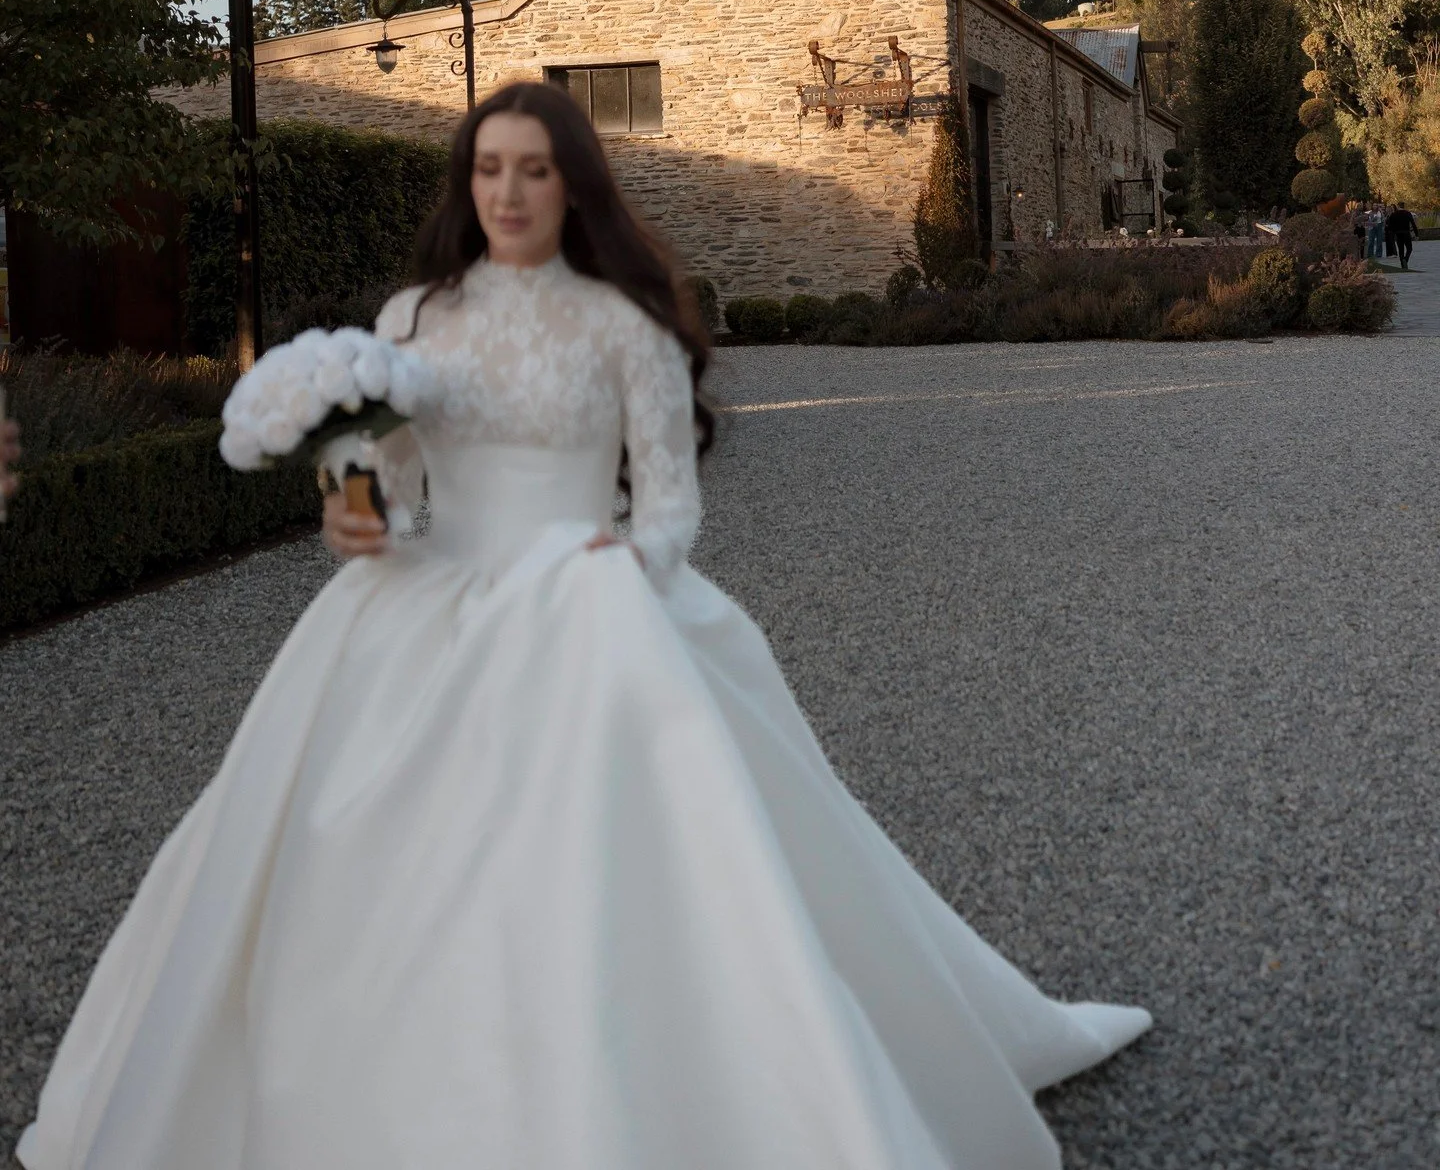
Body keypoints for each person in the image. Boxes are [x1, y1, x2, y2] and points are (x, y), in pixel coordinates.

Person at [19, 82, 1150, 1170]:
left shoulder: (621, 324)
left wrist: (623, 567)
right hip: (420, 595)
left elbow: (668, 507)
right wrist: (348, 509)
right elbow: (386, 477)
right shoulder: (413, 318)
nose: (508, 194)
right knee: (331, 839)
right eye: (488, 171)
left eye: (535, 171)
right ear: (467, 186)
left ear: (574, 187)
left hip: (584, 587)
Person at [1388, 201, 1419, 269]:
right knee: (1409, 248)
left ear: (1398, 206)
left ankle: (1403, 265)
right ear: (1404, 206)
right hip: (1406, 233)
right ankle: (1406, 259)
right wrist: (1416, 234)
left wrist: (1392, 235)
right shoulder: (1407, 213)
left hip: (1398, 234)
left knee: (1401, 250)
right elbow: (1413, 224)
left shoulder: (1394, 214)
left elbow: (1390, 226)